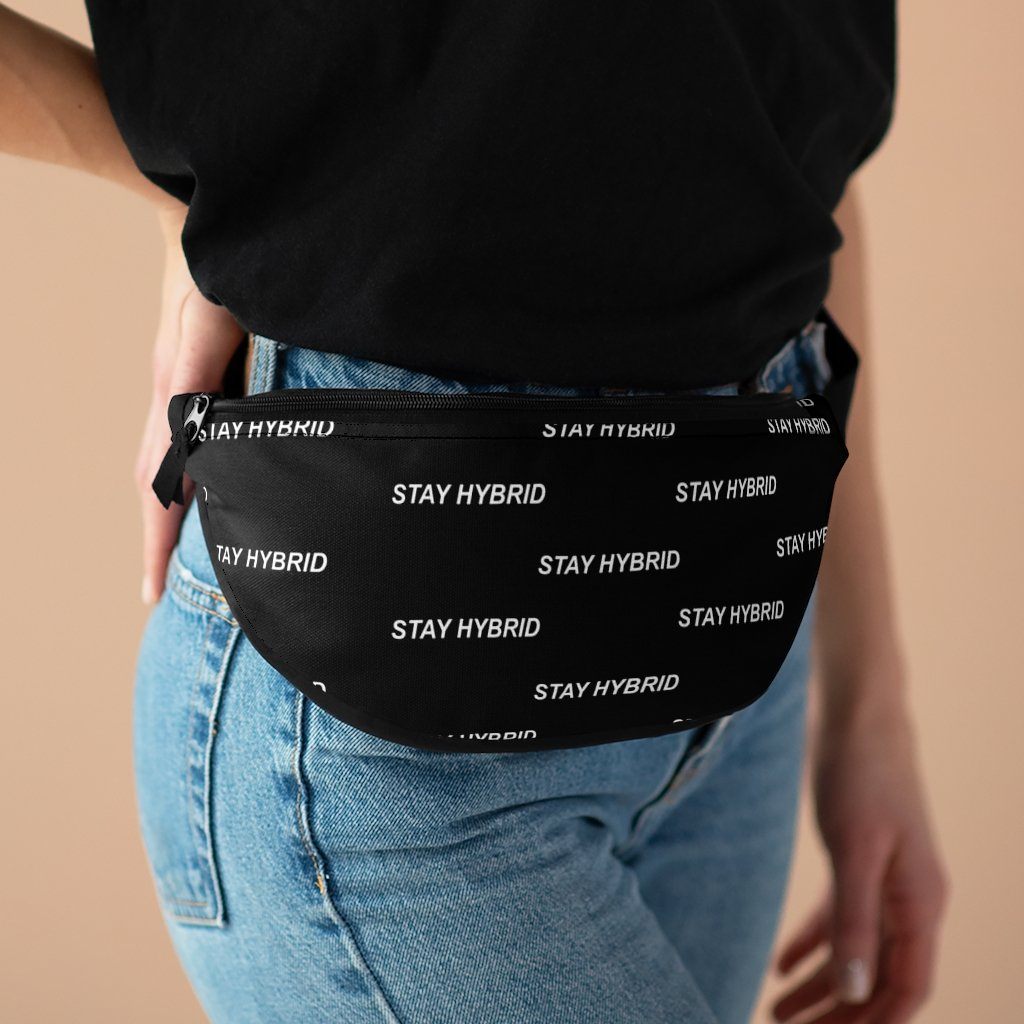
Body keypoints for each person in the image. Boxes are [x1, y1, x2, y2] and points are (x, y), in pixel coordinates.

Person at [1, 4, 949, 1022]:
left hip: (743, 625)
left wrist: (870, 703)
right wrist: (179, 197)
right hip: (388, 708)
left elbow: (794, 144)